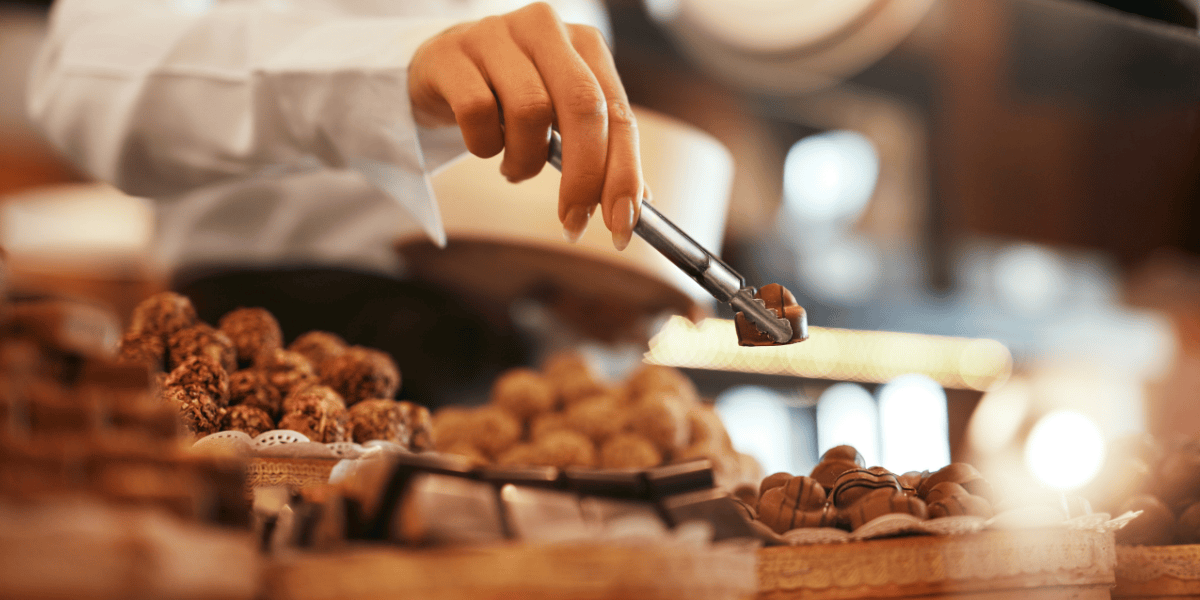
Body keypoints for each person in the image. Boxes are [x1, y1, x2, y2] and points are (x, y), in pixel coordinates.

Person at [26, 0, 647, 405]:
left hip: (490, 384)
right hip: (245, 372)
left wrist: (575, 305)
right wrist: (395, 71)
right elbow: (82, 74)